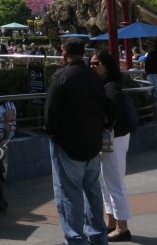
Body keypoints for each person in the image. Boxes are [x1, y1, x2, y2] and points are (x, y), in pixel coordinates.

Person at [44, 39, 110, 245]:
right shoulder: (93, 76)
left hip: (68, 144)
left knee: (69, 194)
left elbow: (50, 113)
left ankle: (75, 239)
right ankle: (98, 236)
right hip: (91, 142)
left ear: (63, 52)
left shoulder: (61, 77)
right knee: (93, 190)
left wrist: (52, 133)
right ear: (83, 53)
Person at [91, 50, 131, 242]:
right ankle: (111, 223)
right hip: (109, 138)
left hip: (115, 138)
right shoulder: (102, 86)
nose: (92, 67)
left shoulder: (111, 87)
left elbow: (112, 114)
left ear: (106, 67)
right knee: (105, 183)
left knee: (115, 183)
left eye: (96, 64)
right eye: (90, 64)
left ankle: (122, 227)